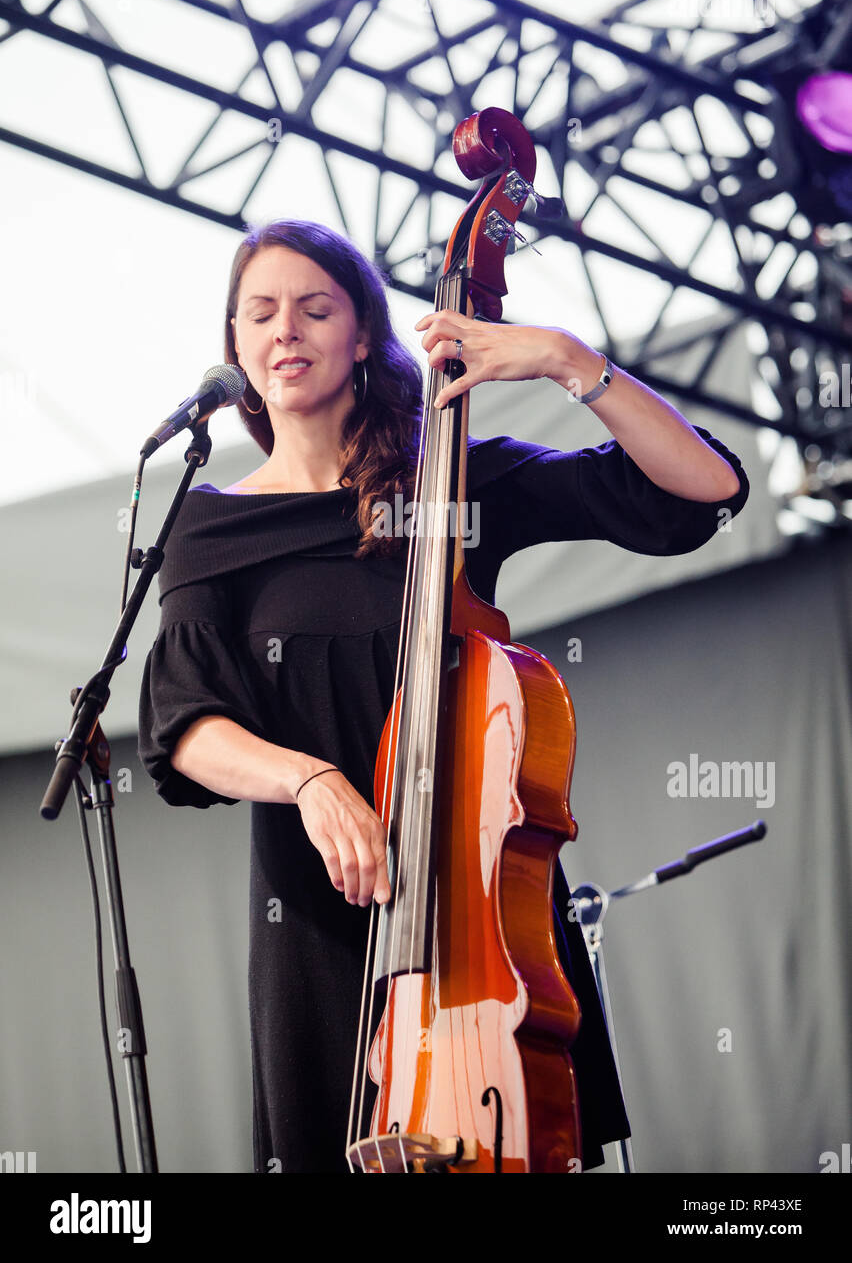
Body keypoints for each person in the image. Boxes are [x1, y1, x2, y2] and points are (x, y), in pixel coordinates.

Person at [137, 218, 750, 1174]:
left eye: (314, 308)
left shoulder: (449, 474)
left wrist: (566, 360)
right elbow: (183, 724)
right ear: (237, 348)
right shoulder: (208, 528)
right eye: (259, 313)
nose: (285, 330)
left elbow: (701, 492)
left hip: (481, 940)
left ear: (360, 334)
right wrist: (306, 779)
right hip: (319, 928)